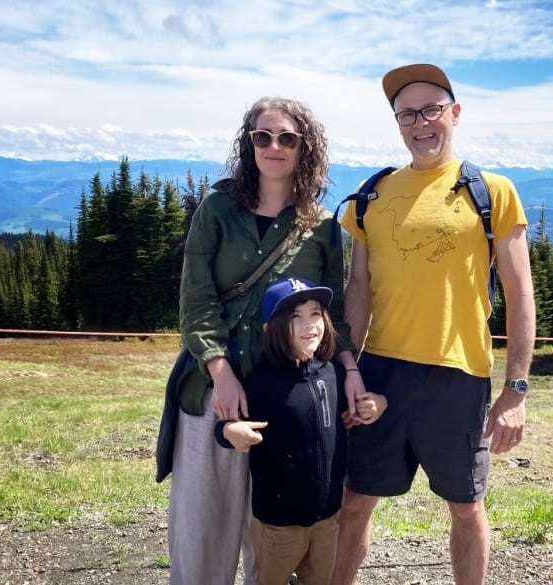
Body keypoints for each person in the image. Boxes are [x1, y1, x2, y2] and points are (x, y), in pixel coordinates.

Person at [330, 64, 536, 585]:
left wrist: (515, 390)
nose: (420, 123)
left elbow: (519, 294)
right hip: (380, 374)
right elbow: (359, 289)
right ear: (397, 123)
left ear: (455, 113)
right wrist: (348, 365)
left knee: (466, 508)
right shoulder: (371, 193)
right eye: (407, 114)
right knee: (355, 502)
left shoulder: (492, 191)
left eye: (431, 109)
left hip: (458, 376)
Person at [163, 97, 365, 585]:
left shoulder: (319, 224)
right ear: (248, 143)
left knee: (276, 530)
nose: (274, 146)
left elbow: (332, 310)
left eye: (288, 138)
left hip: (288, 391)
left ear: (304, 148)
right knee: (203, 528)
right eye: (263, 137)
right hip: (213, 388)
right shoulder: (216, 209)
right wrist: (221, 370)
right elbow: (196, 298)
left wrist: (350, 372)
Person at [213, 276, 387, 585]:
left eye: (315, 313)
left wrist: (379, 404)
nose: (309, 324)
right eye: (295, 316)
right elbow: (224, 428)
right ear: (270, 328)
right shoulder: (261, 384)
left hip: (328, 520)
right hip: (278, 526)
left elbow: (364, 407)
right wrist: (230, 431)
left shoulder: (334, 372)